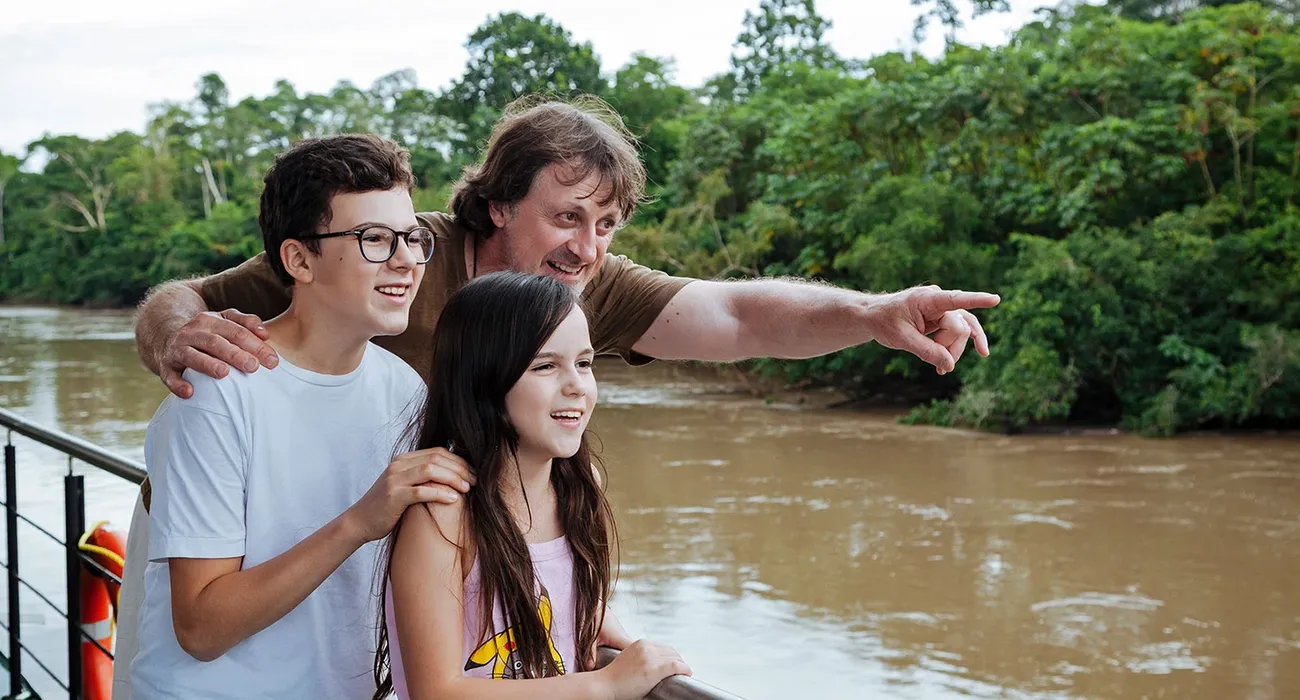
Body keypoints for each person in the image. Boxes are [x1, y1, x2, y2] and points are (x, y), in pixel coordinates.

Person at [115, 95, 999, 698]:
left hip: (354, 610)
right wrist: (170, 331)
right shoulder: (391, 256)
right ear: (496, 204)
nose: (587, 247)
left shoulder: (576, 297)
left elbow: (737, 316)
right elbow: (195, 296)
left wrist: (876, 313)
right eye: (568, 216)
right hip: (236, 558)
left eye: (608, 225)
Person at [129, 134, 474, 699]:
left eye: (413, 238)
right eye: (375, 239)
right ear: (298, 259)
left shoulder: (404, 390)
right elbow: (200, 626)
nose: (408, 261)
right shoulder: (221, 389)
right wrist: (359, 522)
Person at [376, 271, 690, 700]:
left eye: (584, 363)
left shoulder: (581, 488)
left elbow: (557, 595)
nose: (577, 385)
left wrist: (596, 618)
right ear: (483, 380)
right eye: (545, 366)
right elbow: (437, 691)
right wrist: (606, 685)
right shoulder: (443, 514)